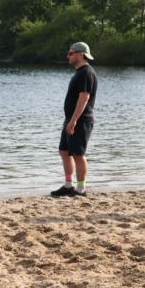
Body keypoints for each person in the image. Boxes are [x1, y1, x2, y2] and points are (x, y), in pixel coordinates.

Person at [51, 42, 98, 197]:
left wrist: (74, 120)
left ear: (80, 54)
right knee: (64, 151)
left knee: (78, 154)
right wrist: (69, 120)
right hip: (71, 119)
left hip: (81, 120)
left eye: (70, 53)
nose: (68, 56)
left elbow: (84, 98)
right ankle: (68, 185)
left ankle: (81, 189)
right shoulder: (79, 72)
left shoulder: (86, 72)